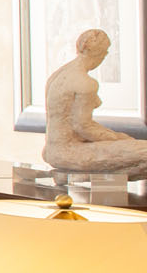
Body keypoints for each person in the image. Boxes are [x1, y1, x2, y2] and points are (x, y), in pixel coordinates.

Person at [41, 28, 147, 177]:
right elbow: (83, 126)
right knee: (143, 151)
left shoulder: (57, 75)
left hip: (51, 150)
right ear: (99, 53)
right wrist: (117, 138)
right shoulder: (86, 83)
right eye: (105, 52)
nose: (105, 56)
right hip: (70, 152)